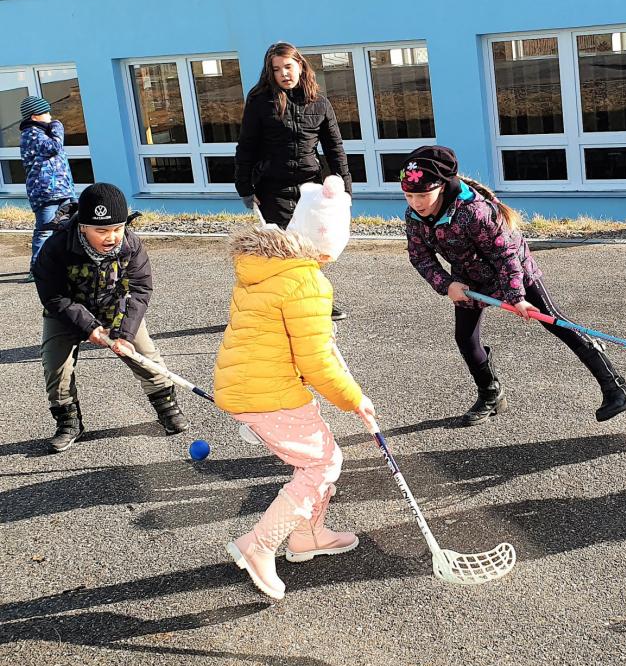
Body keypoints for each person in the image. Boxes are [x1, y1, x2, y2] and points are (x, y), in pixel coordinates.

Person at [214, 175, 375, 601]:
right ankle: (259, 545)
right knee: (321, 465)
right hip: (267, 391)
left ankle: (308, 536)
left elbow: (290, 339)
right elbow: (315, 359)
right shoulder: (307, 280)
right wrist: (354, 399)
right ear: (328, 245)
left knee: (322, 458)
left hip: (247, 385)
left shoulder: (265, 268)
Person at [402, 145, 626, 425]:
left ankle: (616, 388)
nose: (416, 202)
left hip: (516, 271)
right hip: (469, 279)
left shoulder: (475, 212)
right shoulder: (414, 216)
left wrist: (517, 296)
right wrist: (447, 284)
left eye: (422, 195)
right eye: (409, 195)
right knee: (465, 338)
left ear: (441, 186)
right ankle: (491, 394)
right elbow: (419, 256)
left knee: (556, 322)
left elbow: (506, 256)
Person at [32, 183, 189, 453]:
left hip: (115, 306)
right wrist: (89, 327)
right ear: (83, 227)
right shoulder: (56, 247)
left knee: (145, 356)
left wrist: (124, 334)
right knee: (55, 365)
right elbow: (53, 296)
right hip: (67, 310)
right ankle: (69, 423)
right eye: (101, 231)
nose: (112, 237)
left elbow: (140, 289)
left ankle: (168, 408)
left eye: (117, 228)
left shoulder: (131, 244)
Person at [234, 42, 352, 319]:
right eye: (276, 69)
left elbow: (334, 148)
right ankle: (286, 304)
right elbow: (246, 146)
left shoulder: (320, 103)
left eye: (288, 66)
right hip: (272, 187)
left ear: (300, 65)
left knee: (312, 249)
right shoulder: (260, 101)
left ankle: (314, 301)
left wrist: (345, 188)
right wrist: (245, 187)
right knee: (284, 250)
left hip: (310, 189)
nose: (283, 74)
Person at [18, 93, 74, 279]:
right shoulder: (31, 135)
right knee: (45, 230)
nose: (50, 116)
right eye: (46, 113)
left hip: (62, 190)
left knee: (66, 228)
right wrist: (57, 126)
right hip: (46, 192)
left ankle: (62, 264)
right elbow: (54, 147)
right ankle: (37, 269)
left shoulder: (44, 133)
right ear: (34, 116)